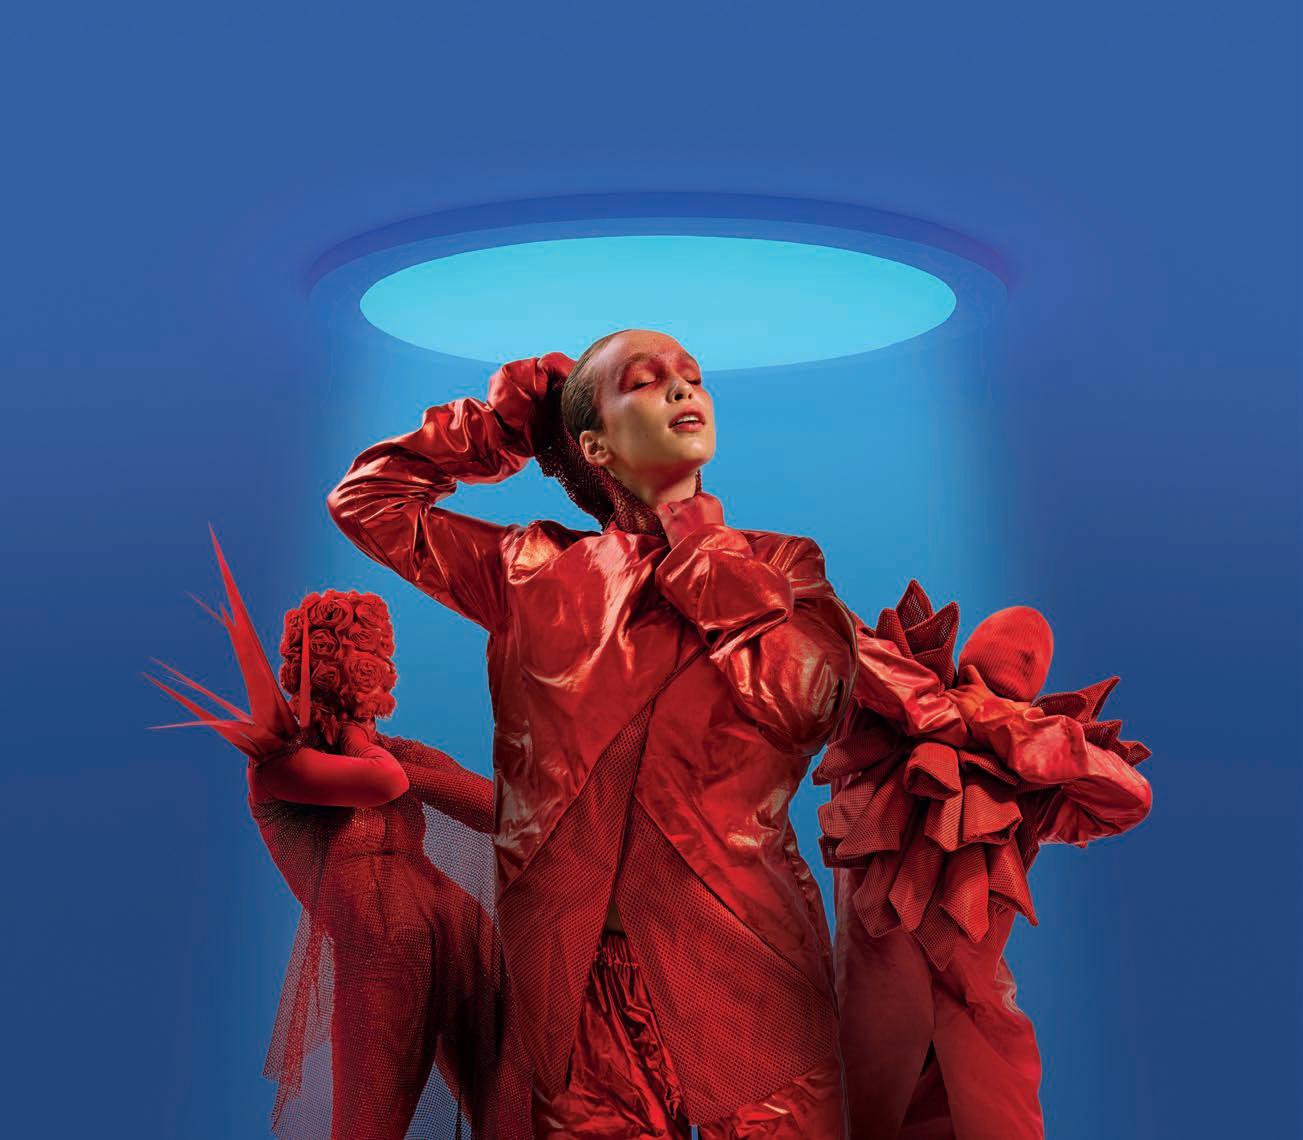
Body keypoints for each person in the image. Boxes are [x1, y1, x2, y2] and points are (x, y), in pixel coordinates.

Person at [326, 329, 861, 1137]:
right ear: (593, 445)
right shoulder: (527, 569)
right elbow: (366, 503)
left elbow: (806, 705)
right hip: (574, 985)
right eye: (645, 381)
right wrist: (493, 428)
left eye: (691, 377)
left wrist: (697, 546)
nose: (683, 390)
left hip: (745, 969)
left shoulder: (781, 564)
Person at [146, 530, 533, 1139]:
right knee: (366, 1127)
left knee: (512, 1115)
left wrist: (389, 753)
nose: (370, 686)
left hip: (459, 934)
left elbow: (498, 812)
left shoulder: (396, 752)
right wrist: (364, 743)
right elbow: (381, 783)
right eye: (357, 662)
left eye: (374, 658)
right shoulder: (279, 768)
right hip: (382, 959)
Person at [816, 580, 1153, 1139]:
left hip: (975, 1054)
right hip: (867, 1036)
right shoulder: (880, 723)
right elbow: (836, 641)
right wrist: (940, 712)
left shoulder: (1029, 787)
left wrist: (1002, 725)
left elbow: (1131, 798)